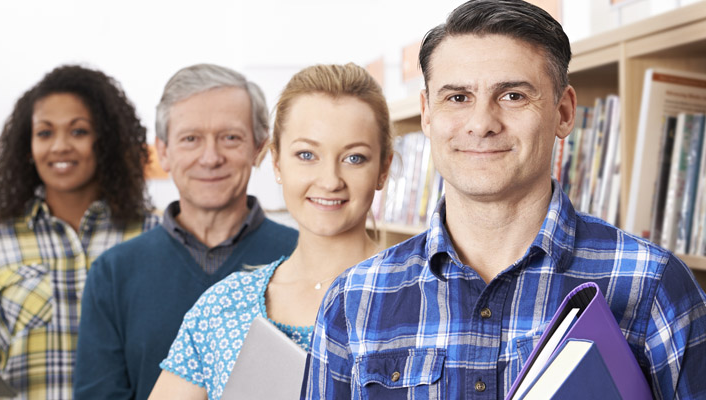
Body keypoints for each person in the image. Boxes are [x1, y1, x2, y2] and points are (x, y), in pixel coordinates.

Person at [303, 1, 706, 399]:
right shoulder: (354, 299)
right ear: (427, 114)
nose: (481, 124)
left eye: (512, 95)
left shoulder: (654, 286)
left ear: (564, 112)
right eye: (457, 98)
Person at [147, 63, 394, 400]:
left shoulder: (424, 296)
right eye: (306, 155)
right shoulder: (222, 308)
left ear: (384, 169)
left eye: (354, 158)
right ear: (277, 164)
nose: (329, 180)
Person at [0, 65, 160, 400]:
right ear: (27, 146)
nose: (60, 146)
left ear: (106, 141)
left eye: (78, 132)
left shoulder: (153, 237)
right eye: (44, 133)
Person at [73, 64, 299, 400]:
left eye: (230, 138)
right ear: (163, 151)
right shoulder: (113, 273)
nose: (210, 158)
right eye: (190, 139)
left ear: (259, 147)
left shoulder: (302, 256)